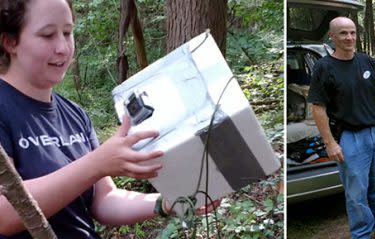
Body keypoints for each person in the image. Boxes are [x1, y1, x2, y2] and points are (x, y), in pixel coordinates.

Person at [0, 0, 217, 238]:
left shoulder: (75, 115)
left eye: (67, 32)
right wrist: (96, 164)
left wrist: (166, 203)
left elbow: (104, 201)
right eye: (48, 35)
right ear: (10, 42)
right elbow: (4, 214)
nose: (62, 47)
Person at [307, 17, 375, 239]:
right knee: (356, 193)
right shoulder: (324, 67)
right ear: (332, 37)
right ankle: (361, 234)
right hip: (350, 137)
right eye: (343, 33)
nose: (349, 37)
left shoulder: (366, 61)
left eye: (352, 32)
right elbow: (318, 107)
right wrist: (330, 143)